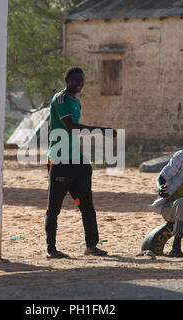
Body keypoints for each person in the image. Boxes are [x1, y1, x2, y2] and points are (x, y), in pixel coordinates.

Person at [45, 66, 116, 259]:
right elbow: (71, 127)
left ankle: (91, 246)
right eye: (76, 80)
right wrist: (101, 130)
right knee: (54, 206)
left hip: (77, 160)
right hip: (60, 159)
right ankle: (51, 249)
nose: (80, 83)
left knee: (87, 206)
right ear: (67, 80)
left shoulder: (77, 102)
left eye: (82, 80)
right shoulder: (61, 99)